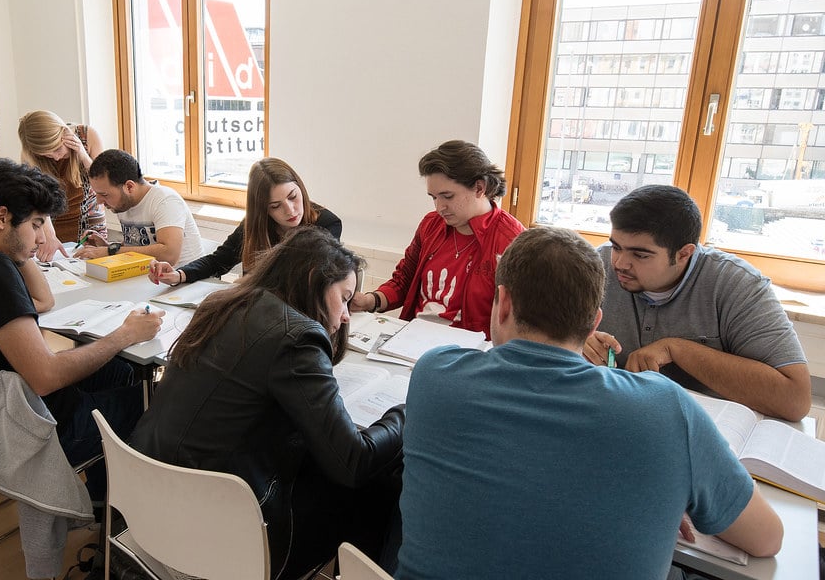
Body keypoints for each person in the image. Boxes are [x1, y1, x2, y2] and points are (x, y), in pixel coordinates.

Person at [397, 227, 783, 580]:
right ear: (594, 321)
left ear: (503, 303)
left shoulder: (435, 374)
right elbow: (767, 538)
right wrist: (672, 485)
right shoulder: (667, 409)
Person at [129, 227, 403, 580]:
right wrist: (405, 413)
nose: (347, 314)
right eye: (344, 298)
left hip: (151, 504)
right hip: (226, 533)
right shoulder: (298, 336)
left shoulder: (221, 303)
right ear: (312, 280)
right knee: (380, 484)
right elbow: (353, 461)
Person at [0, 158, 164, 497]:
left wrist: (20, 248)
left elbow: (42, 301)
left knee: (119, 371)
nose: (42, 237)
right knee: (156, 398)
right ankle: (128, 504)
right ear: (1, 217)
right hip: (32, 428)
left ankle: (103, 497)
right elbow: (45, 376)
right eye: (36, 224)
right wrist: (125, 335)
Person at [583, 185, 810, 422]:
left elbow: (795, 400)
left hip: (710, 428)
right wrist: (575, 342)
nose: (620, 263)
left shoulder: (737, 284)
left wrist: (676, 349)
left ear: (684, 253)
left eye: (640, 255)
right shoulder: (595, 265)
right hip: (615, 419)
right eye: (616, 247)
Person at [349, 140, 524, 337]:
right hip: (413, 339)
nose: (439, 207)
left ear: (479, 188)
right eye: (433, 197)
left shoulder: (512, 241)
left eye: (447, 196)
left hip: (470, 348)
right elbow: (404, 280)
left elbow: (519, 322)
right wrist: (370, 301)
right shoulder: (431, 225)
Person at [148, 157, 342, 285]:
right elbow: (219, 261)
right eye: (275, 206)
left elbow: (307, 278)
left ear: (301, 188)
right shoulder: (255, 224)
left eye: (293, 197)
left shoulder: (327, 224)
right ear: (262, 209)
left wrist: (251, 282)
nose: (290, 210)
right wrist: (179, 275)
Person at [72, 148, 203, 266]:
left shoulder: (166, 201)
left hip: (183, 279)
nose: (99, 201)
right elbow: (137, 246)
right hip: (149, 276)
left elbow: (169, 255)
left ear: (129, 187)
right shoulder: (123, 203)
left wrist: (110, 251)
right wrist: (106, 246)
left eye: (104, 194)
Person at [18, 109, 107, 261]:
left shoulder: (87, 136)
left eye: (57, 149)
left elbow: (104, 184)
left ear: (64, 132)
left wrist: (83, 155)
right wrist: (50, 236)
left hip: (90, 225)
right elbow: (39, 200)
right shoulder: (30, 156)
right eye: (47, 155)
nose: (56, 157)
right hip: (53, 226)